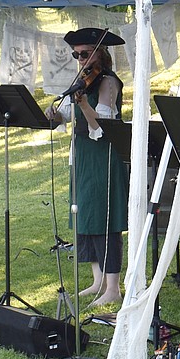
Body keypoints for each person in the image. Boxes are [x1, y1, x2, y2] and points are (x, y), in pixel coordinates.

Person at [45, 27, 129, 309]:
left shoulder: (108, 83)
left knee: (105, 217)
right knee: (86, 214)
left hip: (103, 154)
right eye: (76, 55)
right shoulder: (81, 80)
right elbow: (67, 117)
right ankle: (97, 280)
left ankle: (113, 286)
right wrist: (55, 114)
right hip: (83, 154)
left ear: (99, 54)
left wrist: (82, 103)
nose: (80, 59)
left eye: (84, 54)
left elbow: (101, 126)